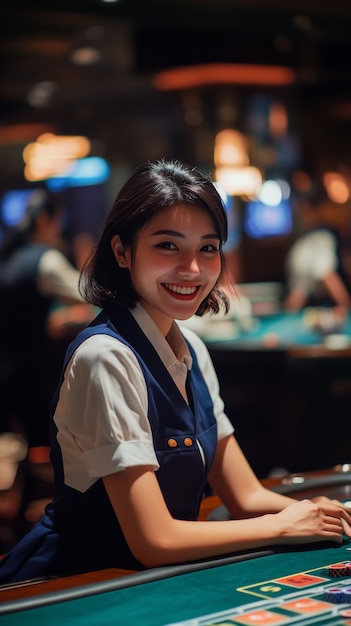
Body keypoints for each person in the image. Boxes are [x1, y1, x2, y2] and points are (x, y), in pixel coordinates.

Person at [0, 159, 350, 584]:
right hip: (79, 582)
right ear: (122, 251)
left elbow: (245, 495)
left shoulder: (194, 350)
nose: (193, 269)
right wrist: (282, 525)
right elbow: (155, 541)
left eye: (208, 247)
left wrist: (316, 511)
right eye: (168, 246)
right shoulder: (106, 357)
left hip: (155, 576)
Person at [0, 188, 93, 448]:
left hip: (7, 373)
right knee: (48, 447)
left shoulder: (9, 255)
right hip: (30, 375)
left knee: (25, 447)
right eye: (58, 222)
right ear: (43, 220)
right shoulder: (46, 260)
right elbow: (91, 293)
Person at [284, 183, 351, 312]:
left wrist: (347, 310)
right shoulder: (311, 237)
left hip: (323, 314)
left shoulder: (321, 235)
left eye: (300, 207)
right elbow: (301, 290)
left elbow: (327, 276)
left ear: (306, 208)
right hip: (312, 313)